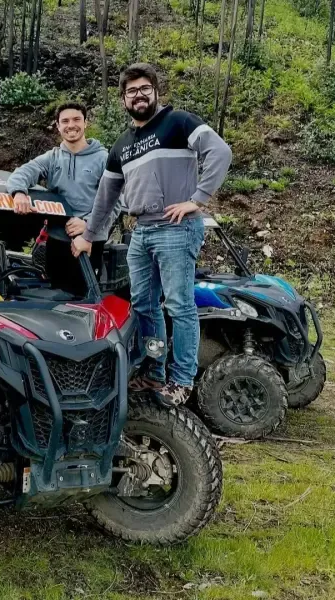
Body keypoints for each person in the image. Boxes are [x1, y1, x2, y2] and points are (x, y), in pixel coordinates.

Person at [72, 63, 232, 407]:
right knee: (144, 305)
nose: (139, 95)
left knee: (178, 305)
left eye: (145, 89)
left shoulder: (178, 123)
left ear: (155, 92)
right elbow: (106, 196)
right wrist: (88, 234)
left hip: (176, 229)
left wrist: (196, 199)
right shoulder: (122, 146)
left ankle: (182, 380)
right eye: (131, 91)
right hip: (141, 233)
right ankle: (155, 371)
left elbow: (220, 152)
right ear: (123, 99)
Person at [7, 102, 114, 296]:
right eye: (65, 121)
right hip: (56, 243)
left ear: (85, 123)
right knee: (54, 300)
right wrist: (19, 192)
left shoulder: (103, 159)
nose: (70, 125)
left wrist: (89, 226)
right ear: (57, 126)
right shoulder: (52, 157)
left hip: (89, 243)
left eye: (76, 119)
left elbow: (116, 202)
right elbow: (22, 173)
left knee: (84, 304)